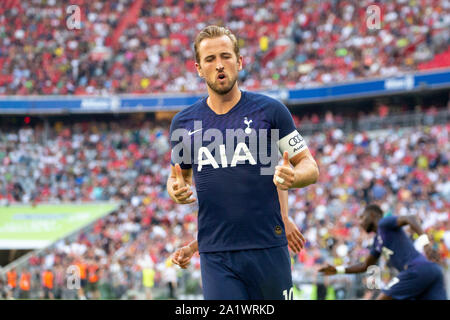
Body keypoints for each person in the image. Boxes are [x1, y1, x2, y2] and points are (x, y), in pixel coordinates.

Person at [167, 25, 319, 300]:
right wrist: (175, 190)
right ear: (199, 68)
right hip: (216, 255)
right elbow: (178, 177)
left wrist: (293, 177)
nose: (219, 65)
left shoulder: (271, 111)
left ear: (239, 62)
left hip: (268, 246)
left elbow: (309, 166)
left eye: (225, 56)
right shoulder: (184, 123)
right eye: (210, 59)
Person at [319, 204, 448, 300]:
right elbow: (365, 266)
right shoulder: (377, 242)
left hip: (416, 269)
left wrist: (425, 243)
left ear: (372, 215)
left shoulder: (384, 223)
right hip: (432, 272)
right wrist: (338, 270)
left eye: (362, 217)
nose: (360, 222)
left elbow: (410, 218)